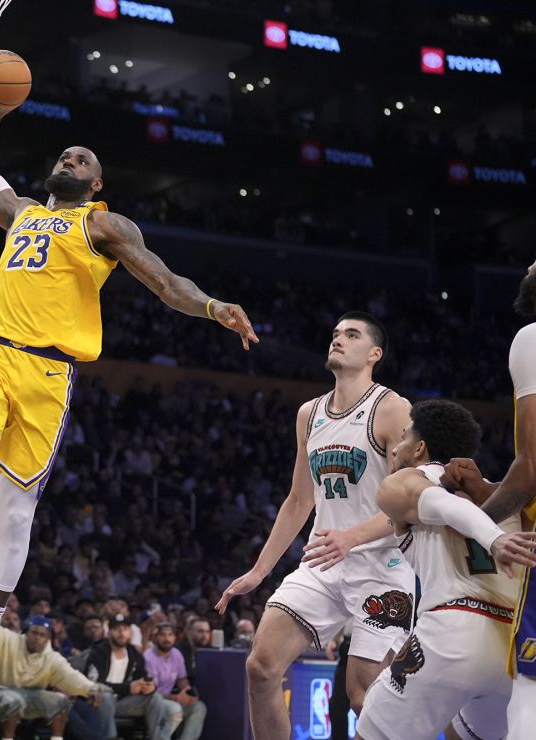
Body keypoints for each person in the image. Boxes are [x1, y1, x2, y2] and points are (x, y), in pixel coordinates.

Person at [0, 81, 259, 720]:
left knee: (15, 518)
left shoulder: (103, 225)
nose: (71, 159)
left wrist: (211, 307)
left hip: (48, 378)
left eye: (83, 159)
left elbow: (166, 281)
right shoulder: (24, 213)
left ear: (97, 185)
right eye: (65, 155)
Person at [216, 312, 413, 739]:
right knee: (261, 667)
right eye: (336, 333)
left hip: (384, 567)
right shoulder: (310, 413)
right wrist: (258, 572)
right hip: (323, 563)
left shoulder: (393, 409)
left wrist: (352, 537)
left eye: (352, 334)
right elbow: (299, 501)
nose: (338, 339)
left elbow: (414, 502)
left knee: (363, 696)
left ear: (374, 354)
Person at [355, 399, 536, 740]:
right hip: (510, 651)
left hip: (452, 633)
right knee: (462, 732)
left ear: (420, 447)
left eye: (404, 438)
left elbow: (440, 503)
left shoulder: (407, 481)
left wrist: (493, 538)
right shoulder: (503, 495)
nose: (395, 451)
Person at [443, 259, 536, 740]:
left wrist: (469, 518)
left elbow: (531, 473)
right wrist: (487, 491)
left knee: (529, 692)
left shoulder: (532, 337)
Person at [0, 615, 107, 740]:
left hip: (31, 695)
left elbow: (70, 675)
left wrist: (90, 688)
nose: (37, 637)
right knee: (12, 700)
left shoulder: (51, 657)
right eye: (34, 633)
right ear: (27, 633)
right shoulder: (7, 639)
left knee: (60, 701)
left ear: (48, 639)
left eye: (42, 635)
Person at [84, 614, 171, 740]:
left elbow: (145, 677)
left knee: (155, 698)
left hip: (123, 703)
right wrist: (127, 688)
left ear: (130, 633)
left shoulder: (135, 655)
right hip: (98, 702)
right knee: (106, 696)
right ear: (109, 633)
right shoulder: (98, 653)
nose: (121, 632)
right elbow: (93, 684)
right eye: (116, 629)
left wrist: (150, 687)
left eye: (125, 629)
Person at [143, 623, 206, 740]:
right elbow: (150, 691)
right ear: (155, 637)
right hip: (153, 701)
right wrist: (176, 698)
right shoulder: (148, 658)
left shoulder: (176, 654)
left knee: (199, 707)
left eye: (170, 635)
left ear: (175, 637)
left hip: (172, 698)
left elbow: (181, 679)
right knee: (174, 709)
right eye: (162, 635)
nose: (167, 639)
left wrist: (187, 691)